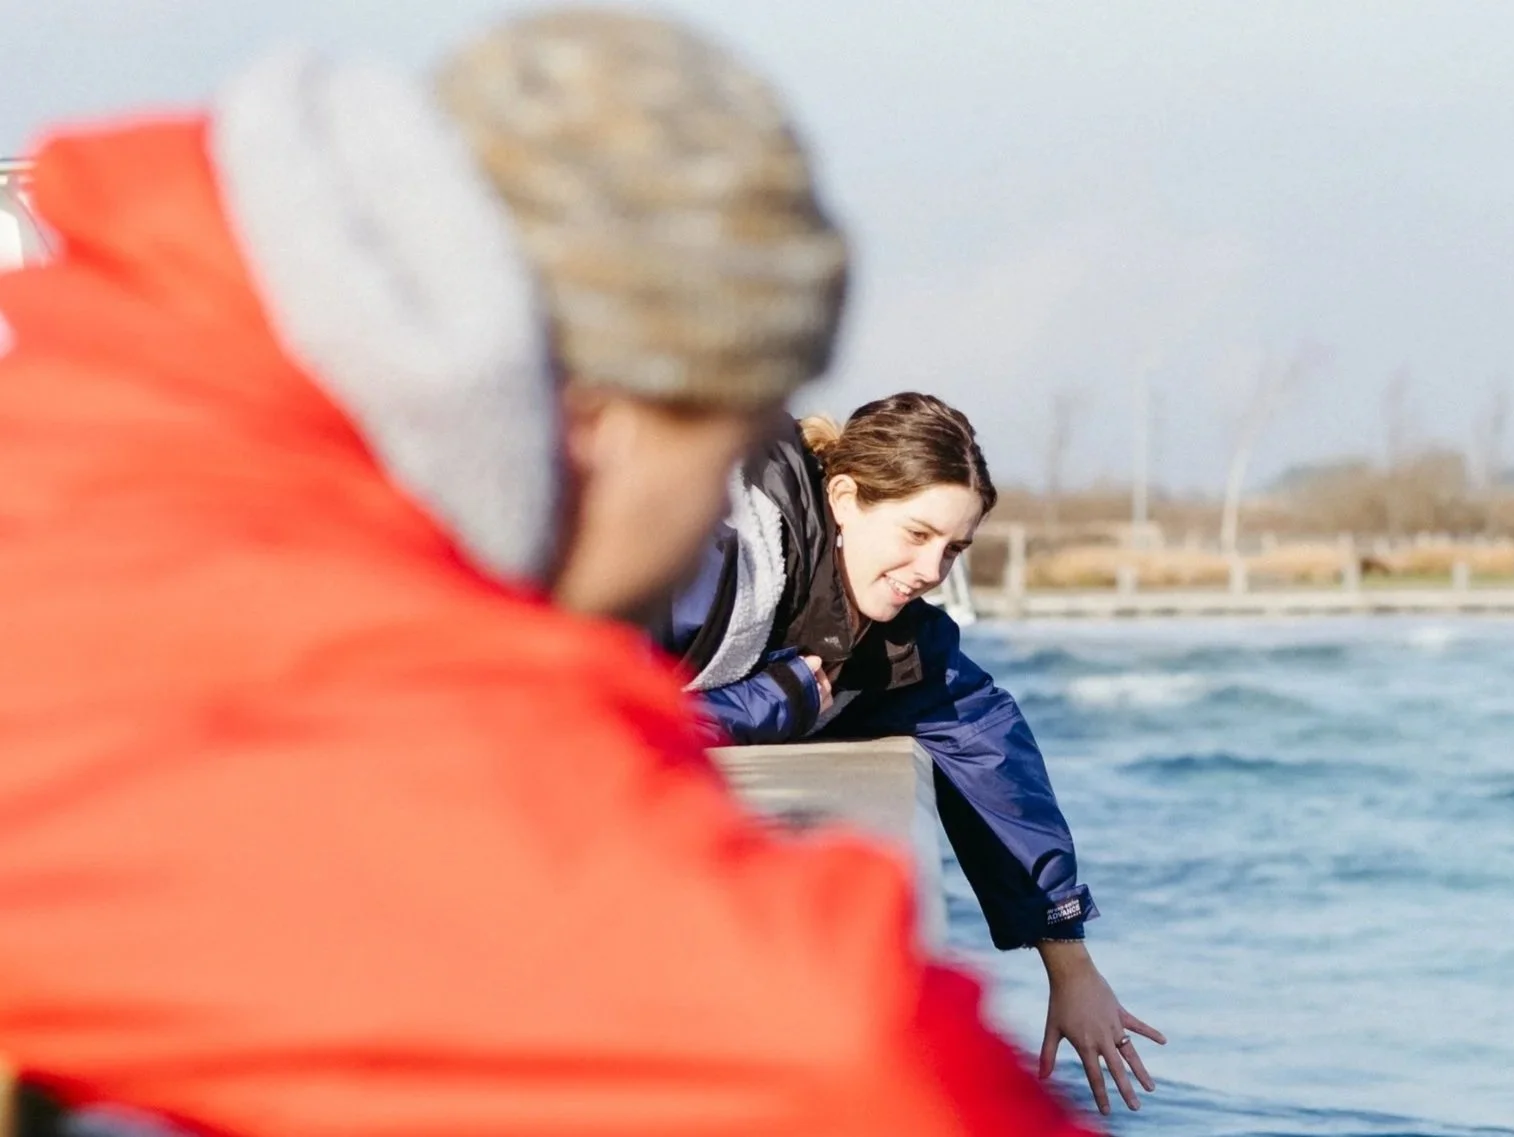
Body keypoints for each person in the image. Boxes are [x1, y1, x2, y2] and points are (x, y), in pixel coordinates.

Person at [0, 11, 1098, 1137]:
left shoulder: (83, 431)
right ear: (602, 418)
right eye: (728, 450)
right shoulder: (284, 697)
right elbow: (842, 1064)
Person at [655, 391, 1166, 1115]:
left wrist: (1070, 962)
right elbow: (585, 705)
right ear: (844, 497)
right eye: (917, 533)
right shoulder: (724, 543)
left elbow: (988, 744)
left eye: (954, 548)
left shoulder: (883, 633)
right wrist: (773, 701)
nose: (931, 569)